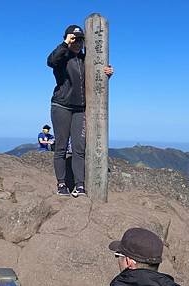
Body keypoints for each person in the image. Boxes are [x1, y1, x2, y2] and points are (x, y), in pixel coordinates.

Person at [47, 24, 114, 197]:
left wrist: (106, 72)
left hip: (80, 110)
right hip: (61, 106)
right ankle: (61, 184)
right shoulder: (62, 57)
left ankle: (80, 185)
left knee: (79, 148)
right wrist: (65, 44)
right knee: (61, 147)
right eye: (74, 39)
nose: (77, 43)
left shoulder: (87, 60)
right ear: (68, 39)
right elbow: (50, 61)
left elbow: (97, 78)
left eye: (81, 40)